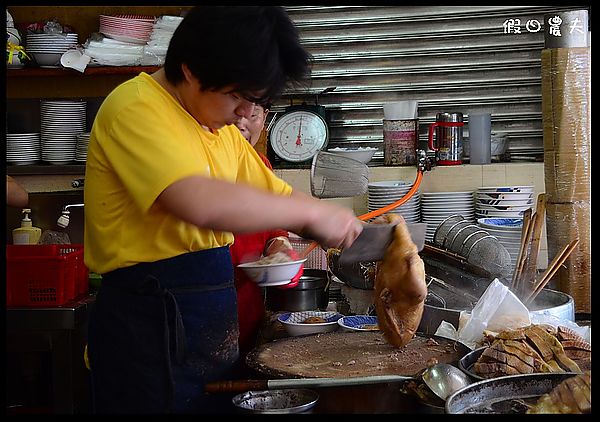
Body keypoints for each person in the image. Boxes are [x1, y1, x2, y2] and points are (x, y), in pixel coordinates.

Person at [84, 6, 363, 414]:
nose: (246, 114)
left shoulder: (218, 131)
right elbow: (198, 200)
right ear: (192, 70)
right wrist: (312, 217)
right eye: (238, 95)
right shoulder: (136, 107)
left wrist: (345, 226)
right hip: (148, 329)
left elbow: (278, 195)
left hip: (205, 320)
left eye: (256, 101)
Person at [230, 103, 303, 359]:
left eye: (253, 115)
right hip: (201, 310)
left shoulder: (261, 165)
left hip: (248, 310)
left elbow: (274, 229)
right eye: (235, 111)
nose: (241, 123)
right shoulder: (200, 167)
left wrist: (281, 249)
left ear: (265, 118)